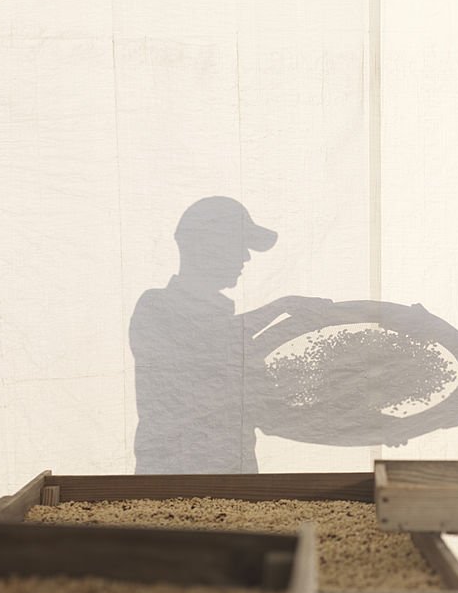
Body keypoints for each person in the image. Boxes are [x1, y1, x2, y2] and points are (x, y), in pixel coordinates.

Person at [130, 196, 321, 474]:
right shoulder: (156, 307)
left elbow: (267, 410)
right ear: (206, 247)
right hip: (169, 485)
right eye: (239, 246)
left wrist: (368, 425)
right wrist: (282, 308)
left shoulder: (221, 322)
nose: (246, 257)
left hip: (235, 483)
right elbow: (209, 341)